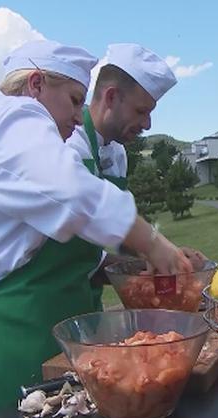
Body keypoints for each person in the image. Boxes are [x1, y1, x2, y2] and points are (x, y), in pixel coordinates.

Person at [0, 40, 192, 418]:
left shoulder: (12, 119)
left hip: (38, 314)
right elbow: (70, 192)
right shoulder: (11, 115)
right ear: (36, 85)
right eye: (74, 101)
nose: (77, 120)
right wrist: (152, 243)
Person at [65, 43, 175, 310]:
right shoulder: (67, 145)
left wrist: (163, 258)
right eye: (141, 111)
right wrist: (152, 244)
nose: (147, 124)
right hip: (42, 302)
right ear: (111, 97)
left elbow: (118, 238)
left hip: (86, 303)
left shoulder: (117, 154)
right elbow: (80, 208)